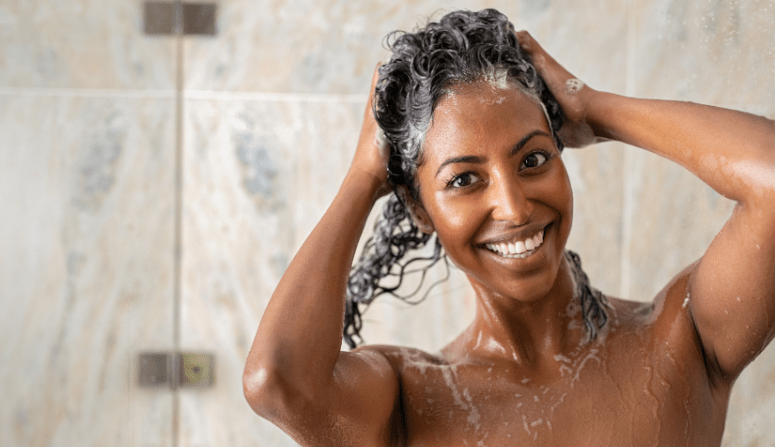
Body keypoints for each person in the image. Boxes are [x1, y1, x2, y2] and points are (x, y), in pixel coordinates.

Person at [243, 9, 775, 446]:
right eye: (465, 179)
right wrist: (363, 178)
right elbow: (277, 382)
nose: (514, 208)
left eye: (532, 160)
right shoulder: (408, 401)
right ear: (419, 208)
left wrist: (593, 108)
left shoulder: (681, 340)